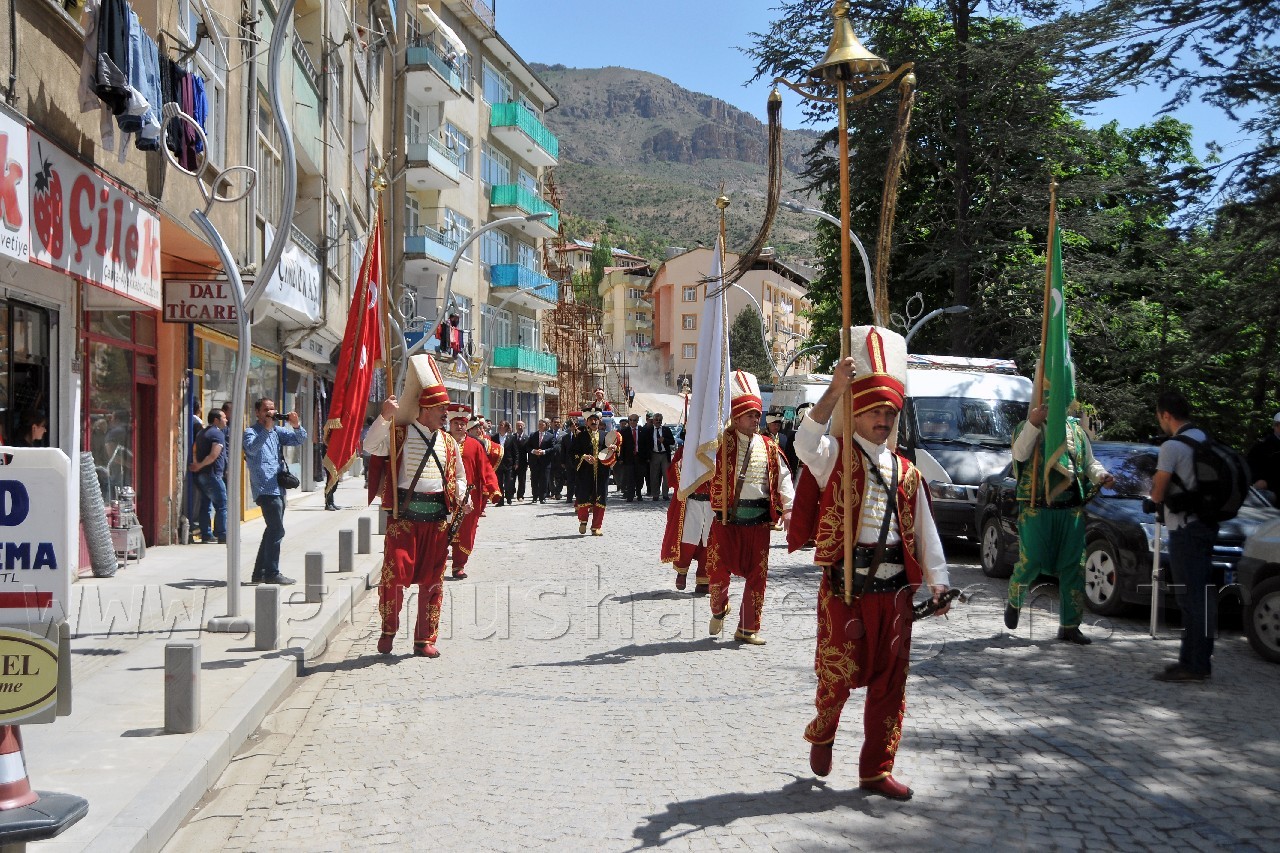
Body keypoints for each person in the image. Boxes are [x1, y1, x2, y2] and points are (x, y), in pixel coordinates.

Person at [790, 327, 951, 800]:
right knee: (838, 675)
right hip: (846, 590)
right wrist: (833, 391)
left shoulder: (908, 472)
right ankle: (823, 730)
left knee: (890, 686)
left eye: (889, 412)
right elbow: (803, 444)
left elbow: (925, 533)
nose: (883, 418)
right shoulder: (833, 455)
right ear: (855, 412)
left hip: (896, 595)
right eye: (875, 409)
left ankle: (875, 771)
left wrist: (938, 584)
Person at [363, 356, 467, 657]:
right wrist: (384, 417)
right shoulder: (400, 434)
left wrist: (461, 494)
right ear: (425, 409)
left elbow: (459, 475)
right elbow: (370, 448)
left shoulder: (448, 442)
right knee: (394, 578)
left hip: (437, 521)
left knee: (432, 583)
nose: (444, 415)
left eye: (445, 410)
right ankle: (388, 629)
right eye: (440, 410)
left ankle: (424, 640)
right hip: (404, 519)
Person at [1003, 396, 1113, 644]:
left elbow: (1088, 463)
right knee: (1032, 561)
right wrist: (1033, 423)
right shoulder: (1027, 426)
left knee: (1073, 567)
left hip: (1070, 509)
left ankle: (1070, 626)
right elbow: (1019, 455)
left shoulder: (1076, 429)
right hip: (1037, 508)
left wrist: (1101, 475)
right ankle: (1014, 600)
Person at [705, 371, 795, 645]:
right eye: (750, 415)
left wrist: (789, 509)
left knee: (758, 576)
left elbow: (784, 479)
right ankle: (719, 608)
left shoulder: (769, 447)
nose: (756, 420)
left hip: (758, 522)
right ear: (736, 416)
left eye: (758, 415)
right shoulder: (719, 444)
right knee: (717, 573)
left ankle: (748, 627)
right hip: (727, 521)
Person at [1149, 390, 1219, 682]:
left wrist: (1153, 495)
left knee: (1189, 598)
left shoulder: (1172, 447)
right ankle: (1194, 659)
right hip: (1204, 525)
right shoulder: (1204, 439)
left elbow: (1157, 492)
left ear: (1166, 415)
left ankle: (1194, 665)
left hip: (1184, 530)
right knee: (1200, 596)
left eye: (1159, 417)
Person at [243, 398, 307, 585]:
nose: (270, 412)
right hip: (264, 488)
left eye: (272, 409)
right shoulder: (250, 432)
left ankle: (259, 573)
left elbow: (299, 439)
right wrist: (267, 428)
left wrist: (296, 425)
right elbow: (252, 449)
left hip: (278, 488)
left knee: (272, 530)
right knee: (277, 529)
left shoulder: (277, 432)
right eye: (265, 410)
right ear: (257, 412)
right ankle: (271, 572)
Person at [447, 405, 500, 580]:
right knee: (441, 531)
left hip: (469, 498)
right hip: (444, 495)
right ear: (450, 423)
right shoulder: (441, 441)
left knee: (465, 531)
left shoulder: (474, 446)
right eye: (456, 423)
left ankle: (458, 566)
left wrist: (493, 490)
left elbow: (485, 469)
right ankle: (436, 565)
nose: (459, 427)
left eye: (462, 424)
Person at [660, 443, 712, 594]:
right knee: (688, 539)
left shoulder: (718, 450)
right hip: (692, 500)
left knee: (708, 541)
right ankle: (682, 570)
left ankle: (704, 578)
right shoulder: (685, 449)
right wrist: (684, 463)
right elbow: (671, 474)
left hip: (712, 503)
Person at [572, 407, 620, 535]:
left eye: (596, 419)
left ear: (600, 421)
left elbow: (613, 452)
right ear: (586, 422)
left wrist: (614, 448)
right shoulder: (580, 436)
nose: (594, 422)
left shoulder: (606, 435)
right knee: (583, 497)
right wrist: (584, 457)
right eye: (591, 420)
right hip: (585, 472)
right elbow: (573, 453)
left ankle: (596, 527)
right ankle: (583, 521)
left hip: (602, 472)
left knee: (601, 498)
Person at [189, 408, 228, 545]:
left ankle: (206, 534)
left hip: (202, 475)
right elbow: (213, 455)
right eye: (224, 417)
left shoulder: (202, 433)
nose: (226, 420)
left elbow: (194, 449)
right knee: (222, 505)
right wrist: (199, 465)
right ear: (216, 420)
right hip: (213, 475)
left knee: (205, 505)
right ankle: (223, 534)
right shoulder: (217, 434)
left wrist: (196, 464)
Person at [640, 413, 676, 500]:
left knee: (666, 475)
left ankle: (665, 494)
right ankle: (655, 495)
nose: (658, 422)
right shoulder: (649, 430)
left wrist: (665, 440)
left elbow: (672, 441)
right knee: (654, 475)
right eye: (656, 420)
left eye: (660, 420)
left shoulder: (666, 430)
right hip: (654, 454)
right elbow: (646, 444)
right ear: (653, 421)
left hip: (664, 455)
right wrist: (648, 456)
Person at [1247, 411, 1280, 503]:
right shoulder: (1262, 446)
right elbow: (1251, 466)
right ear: (1276, 426)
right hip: (1267, 492)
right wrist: (1260, 481)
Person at [527, 418, 557, 503]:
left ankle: (542, 497)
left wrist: (544, 451)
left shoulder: (550, 436)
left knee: (544, 480)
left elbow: (553, 448)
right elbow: (528, 447)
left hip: (545, 462)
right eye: (539, 424)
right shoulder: (533, 435)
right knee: (534, 480)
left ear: (546, 426)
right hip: (534, 462)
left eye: (542, 424)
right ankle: (535, 496)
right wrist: (534, 451)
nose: (540, 426)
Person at [618, 413, 644, 501]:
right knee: (629, 477)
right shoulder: (624, 431)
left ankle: (639, 493)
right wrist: (621, 458)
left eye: (634, 420)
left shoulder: (642, 430)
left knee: (639, 477)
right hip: (628, 458)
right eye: (631, 420)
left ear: (637, 421)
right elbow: (621, 446)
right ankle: (630, 495)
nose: (632, 422)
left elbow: (647, 444)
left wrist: (647, 457)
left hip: (640, 457)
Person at [494, 421, 516, 505]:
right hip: (498, 463)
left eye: (501, 425)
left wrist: (516, 462)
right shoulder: (494, 437)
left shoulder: (511, 438)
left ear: (506, 427)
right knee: (499, 482)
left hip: (508, 463)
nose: (499, 426)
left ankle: (509, 497)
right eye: (499, 425)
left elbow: (515, 450)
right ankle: (500, 500)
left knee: (509, 482)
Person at [559, 415, 580, 503]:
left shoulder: (581, 436)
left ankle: (579, 496)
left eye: (575, 426)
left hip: (579, 461)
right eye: (572, 426)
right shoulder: (565, 437)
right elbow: (563, 450)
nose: (573, 428)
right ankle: (569, 497)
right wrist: (562, 461)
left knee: (578, 480)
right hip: (569, 462)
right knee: (570, 480)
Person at [512, 420, 531, 500]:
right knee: (511, 479)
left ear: (524, 427)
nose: (519, 427)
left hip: (523, 462)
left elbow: (529, 451)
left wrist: (529, 462)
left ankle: (520, 495)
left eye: (521, 425)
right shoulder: (512, 437)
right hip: (512, 462)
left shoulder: (527, 438)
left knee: (522, 480)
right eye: (518, 425)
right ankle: (511, 493)